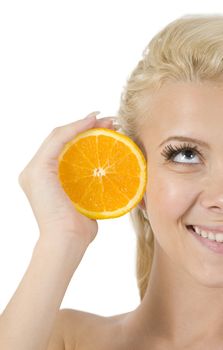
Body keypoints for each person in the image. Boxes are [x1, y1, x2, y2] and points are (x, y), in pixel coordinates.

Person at [1, 13, 223, 350]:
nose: (219, 196)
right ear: (136, 173)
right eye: (186, 155)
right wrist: (61, 236)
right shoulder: (62, 338)